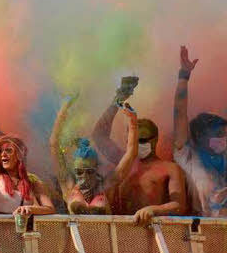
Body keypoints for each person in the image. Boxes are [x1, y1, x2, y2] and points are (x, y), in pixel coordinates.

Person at [90, 79, 187, 225]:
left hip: (152, 231)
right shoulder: (123, 161)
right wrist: (118, 100)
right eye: (133, 140)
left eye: (142, 139)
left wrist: (153, 210)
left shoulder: (170, 168)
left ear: (155, 140)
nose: (136, 145)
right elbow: (99, 135)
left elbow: (179, 206)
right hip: (121, 228)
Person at [0, 79, 55, 219]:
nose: (3, 154)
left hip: (21, 236)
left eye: (8, 150)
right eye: (0, 151)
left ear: (19, 155)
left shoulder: (32, 181)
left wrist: (30, 209)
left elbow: (49, 208)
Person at [50, 93, 138, 214]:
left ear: (96, 169)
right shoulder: (68, 186)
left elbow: (131, 154)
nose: (84, 176)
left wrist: (132, 122)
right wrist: (63, 111)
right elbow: (54, 146)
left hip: (103, 232)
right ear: (74, 170)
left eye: (89, 171)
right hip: (75, 233)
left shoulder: (106, 186)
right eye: (79, 172)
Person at [173, 46, 227, 216]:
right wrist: (184, 77)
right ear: (201, 136)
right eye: (219, 134)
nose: (224, 138)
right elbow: (180, 114)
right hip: (205, 232)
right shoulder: (189, 158)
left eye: (225, 134)